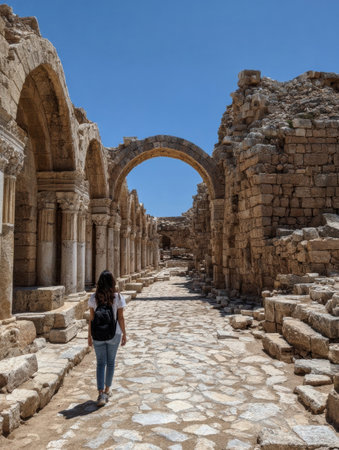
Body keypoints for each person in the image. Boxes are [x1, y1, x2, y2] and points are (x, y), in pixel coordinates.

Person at [88, 270, 127, 406]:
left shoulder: (93, 298)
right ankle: (107, 390)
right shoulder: (118, 297)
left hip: (97, 335)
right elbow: (120, 318)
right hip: (114, 334)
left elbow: (91, 319)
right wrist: (124, 334)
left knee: (100, 363)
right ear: (112, 282)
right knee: (110, 363)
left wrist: (89, 337)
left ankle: (100, 394)